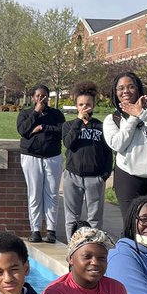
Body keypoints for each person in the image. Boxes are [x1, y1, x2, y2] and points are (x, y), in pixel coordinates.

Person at [102, 71, 147, 228]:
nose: (125, 91)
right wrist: (133, 117)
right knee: (132, 225)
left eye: (130, 86)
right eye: (121, 88)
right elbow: (118, 144)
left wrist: (142, 113)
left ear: (138, 89)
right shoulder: (112, 119)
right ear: (115, 93)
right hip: (128, 176)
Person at [60, 80, 113, 237]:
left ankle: (94, 247)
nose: (85, 107)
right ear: (76, 106)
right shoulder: (69, 125)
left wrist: (104, 175)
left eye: (88, 104)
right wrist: (78, 121)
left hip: (94, 177)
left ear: (93, 105)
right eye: (81, 104)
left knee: (95, 218)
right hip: (72, 175)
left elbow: (108, 152)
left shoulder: (100, 126)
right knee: (72, 217)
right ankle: (73, 249)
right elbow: (68, 143)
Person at [16, 84, 65, 243]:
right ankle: (35, 230)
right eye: (38, 96)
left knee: (52, 194)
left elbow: (62, 131)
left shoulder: (56, 114)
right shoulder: (26, 113)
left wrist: (43, 127)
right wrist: (36, 112)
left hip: (52, 157)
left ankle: (51, 231)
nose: (41, 99)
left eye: (44, 96)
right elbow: (23, 130)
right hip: (31, 157)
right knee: (34, 194)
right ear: (33, 98)